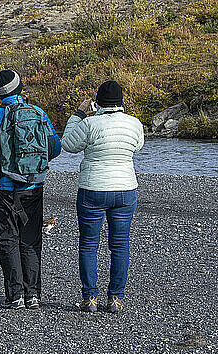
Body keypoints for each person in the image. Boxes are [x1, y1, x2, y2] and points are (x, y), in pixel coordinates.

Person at [62, 80, 144, 313]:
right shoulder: (134, 123)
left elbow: (68, 144)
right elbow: (137, 146)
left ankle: (90, 297)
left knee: (89, 244)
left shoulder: (89, 123)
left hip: (93, 188)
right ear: (121, 102)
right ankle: (116, 298)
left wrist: (78, 113)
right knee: (120, 246)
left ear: (97, 103)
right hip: (125, 188)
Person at [0, 70, 61, 310]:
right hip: (34, 184)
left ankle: (15, 295)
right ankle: (33, 295)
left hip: (3, 188)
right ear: (20, 88)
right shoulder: (38, 112)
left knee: (7, 239)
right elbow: (54, 148)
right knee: (31, 239)